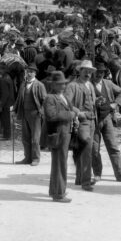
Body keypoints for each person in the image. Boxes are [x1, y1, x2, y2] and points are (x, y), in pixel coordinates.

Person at [91, 62, 121, 183]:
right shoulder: (88, 85)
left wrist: (116, 103)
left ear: (105, 73)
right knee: (94, 149)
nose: (99, 74)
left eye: (102, 72)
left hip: (107, 118)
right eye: (97, 72)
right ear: (93, 72)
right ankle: (97, 174)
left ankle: (120, 175)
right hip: (94, 120)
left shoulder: (108, 83)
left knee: (113, 147)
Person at [44, 71, 78, 203]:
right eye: (59, 84)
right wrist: (70, 114)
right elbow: (51, 115)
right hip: (58, 134)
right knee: (60, 163)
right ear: (53, 85)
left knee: (60, 162)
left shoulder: (62, 96)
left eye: (64, 84)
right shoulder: (50, 98)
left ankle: (56, 190)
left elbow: (70, 109)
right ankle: (58, 193)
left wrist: (75, 112)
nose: (63, 86)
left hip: (66, 133)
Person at [65, 60, 98, 191]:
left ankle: (80, 178)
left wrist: (98, 102)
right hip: (82, 122)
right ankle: (86, 182)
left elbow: (93, 102)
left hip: (92, 121)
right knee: (86, 150)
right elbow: (67, 104)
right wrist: (79, 113)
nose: (88, 74)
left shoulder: (90, 85)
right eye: (85, 71)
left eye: (90, 72)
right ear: (80, 71)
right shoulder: (72, 86)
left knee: (83, 150)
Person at [13, 64, 47, 166]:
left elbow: (45, 100)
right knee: (25, 137)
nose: (29, 73)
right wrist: (14, 110)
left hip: (35, 114)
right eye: (28, 71)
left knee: (35, 138)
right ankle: (27, 158)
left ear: (35, 73)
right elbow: (19, 99)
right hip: (24, 113)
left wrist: (41, 112)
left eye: (31, 71)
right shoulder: (23, 84)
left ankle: (36, 158)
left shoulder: (39, 85)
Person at [0, 62, 15, 140]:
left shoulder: (4, 79)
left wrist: (0, 106)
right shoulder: (7, 77)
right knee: (6, 119)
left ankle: (7, 136)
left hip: (5, 103)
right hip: (7, 102)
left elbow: (5, 94)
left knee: (5, 119)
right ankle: (6, 135)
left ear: (3, 70)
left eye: (0, 69)